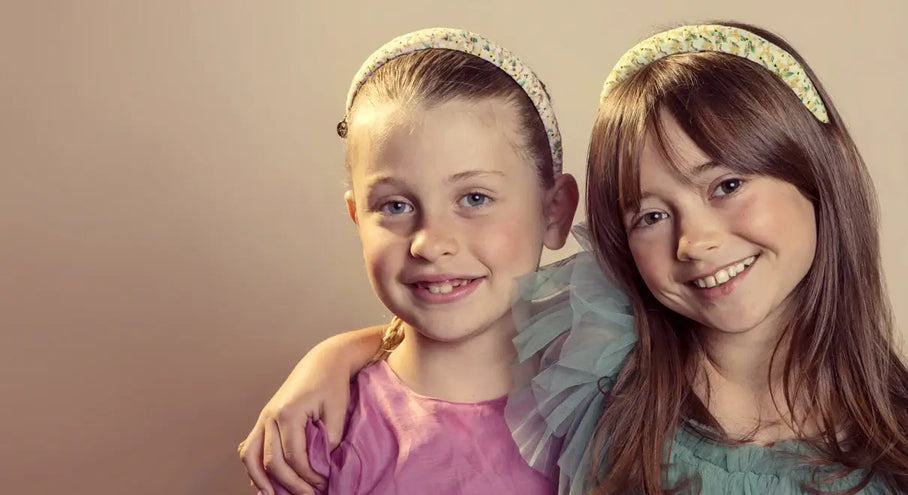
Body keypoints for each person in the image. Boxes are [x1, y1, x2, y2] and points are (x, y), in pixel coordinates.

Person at [241, 23, 908, 494]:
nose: (694, 240)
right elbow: (465, 338)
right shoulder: (613, 370)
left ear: (820, 175)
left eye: (728, 185)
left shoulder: (893, 430)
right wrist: (332, 359)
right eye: (650, 213)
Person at [243, 27, 579, 495]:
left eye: (475, 197)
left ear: (554, 211)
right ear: (357, 217)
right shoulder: (322, 437)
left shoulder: (608, 401)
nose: (430, 242)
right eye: (396, 206)